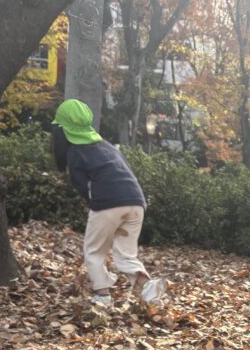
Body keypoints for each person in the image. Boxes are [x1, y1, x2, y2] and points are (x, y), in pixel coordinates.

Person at [51, 99, 166, 308]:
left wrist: (91, 202)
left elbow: (82, 185)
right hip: (136, 202)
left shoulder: (76, 153)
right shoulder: (108, 147)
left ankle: (102, 296)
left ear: (63, 129)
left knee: (94, 251)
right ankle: (148, 287)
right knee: (126, 253)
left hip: (108, 204)